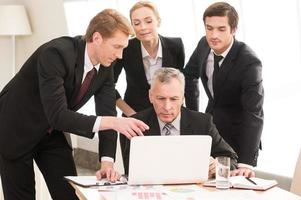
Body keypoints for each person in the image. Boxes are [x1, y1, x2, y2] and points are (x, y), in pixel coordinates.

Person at [0, 9, 148, 200]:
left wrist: (107, 162)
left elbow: (107, 111)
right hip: (15, 127)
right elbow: (59, 115)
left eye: (123, 48)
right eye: (116, 46)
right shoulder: (56, 54)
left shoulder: (105, 67)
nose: (120, 55)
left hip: (51, 131)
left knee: (69, 194)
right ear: (97, 38)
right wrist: (113, 122)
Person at [117, 67, 247, 178]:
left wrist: (217, 166)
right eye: (161, 98)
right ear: (151, 96)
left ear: (183, 98)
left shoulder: (203, 122)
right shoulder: (134, 124)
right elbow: (131, 172)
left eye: (174, 99)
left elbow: (231, 159)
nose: (167, 107)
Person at [183, 2, 263, 177]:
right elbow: (188, 75)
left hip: (238, 136)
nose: (213, 35)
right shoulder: (204, 45)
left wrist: (246, 162)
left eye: (221, 29)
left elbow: (254, 111)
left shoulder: (249, 62)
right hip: (211, 130)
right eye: (209, 28)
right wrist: (192, 113)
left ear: (233, 29)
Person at [113, 1, 185, 166]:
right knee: (137, 171)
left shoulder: (176, 45)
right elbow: (108, 86)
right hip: (134, 119)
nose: (142, 27)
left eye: (148, 21)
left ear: (158, 21)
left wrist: (183, 114)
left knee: (171, 168)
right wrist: (131, 115)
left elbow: (181, 84)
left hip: (169, 119)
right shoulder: (125, 48)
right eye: (136, 23)